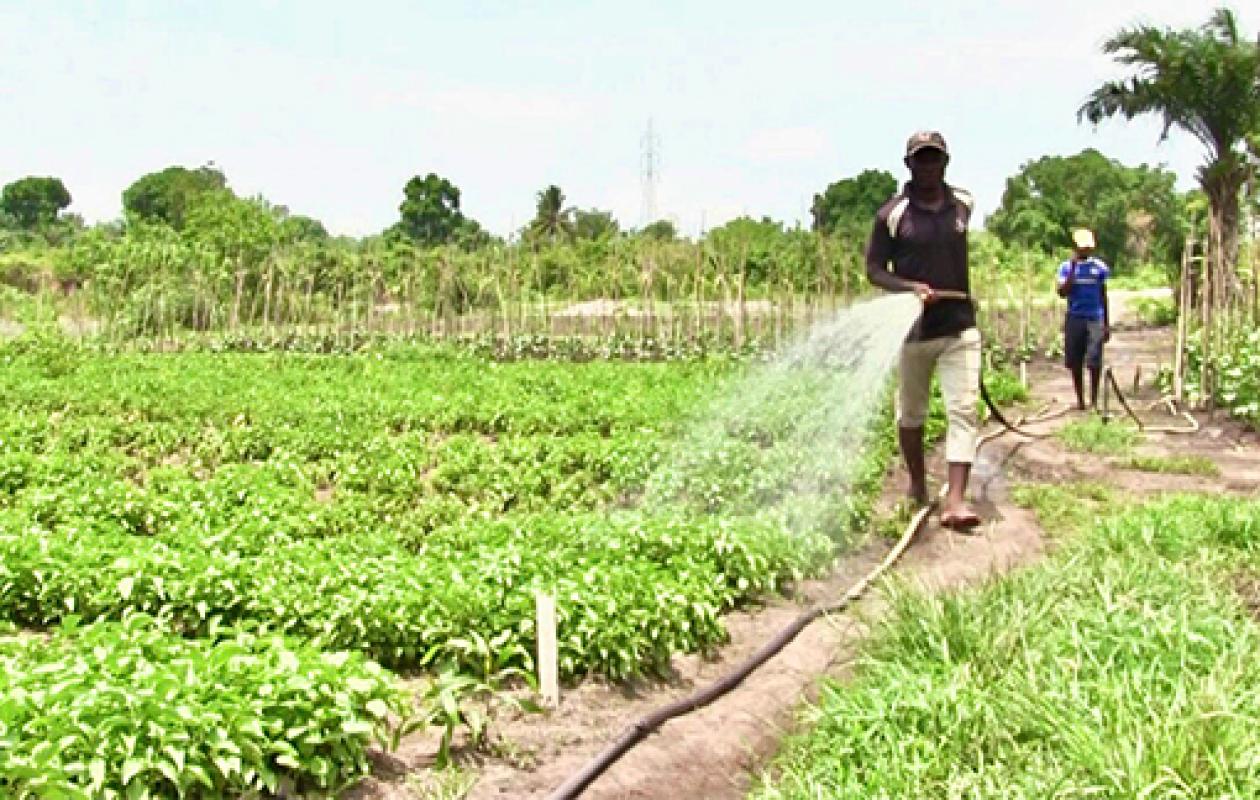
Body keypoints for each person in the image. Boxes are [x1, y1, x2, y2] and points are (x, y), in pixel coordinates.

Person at [865, 130, 981, 530]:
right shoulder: (892, 215)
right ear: (909, 165)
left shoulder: (964, 203)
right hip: (914, 332)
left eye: (934, 159)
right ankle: (916, 483)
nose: (928, 166)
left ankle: (956, 500)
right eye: (921, 159)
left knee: (963, 409)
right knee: (911, 413)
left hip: (959, 327)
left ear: (945, 162)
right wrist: (911, 288)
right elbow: (875, 271)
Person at [1056, 228, 1110, 410]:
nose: (1085, 251)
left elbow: (1103, 295)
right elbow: (1062, 292)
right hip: (1075, 318)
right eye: (1082, 248)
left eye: (1088, 248)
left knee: (1094, 360)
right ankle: (1080, 400)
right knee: (1075, 361)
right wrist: (1072, 270)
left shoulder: (1100, 268)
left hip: (1095, 318)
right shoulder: (1065, 267)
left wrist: (1106, 324)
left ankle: (1094, 400)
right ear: (1076, 248)